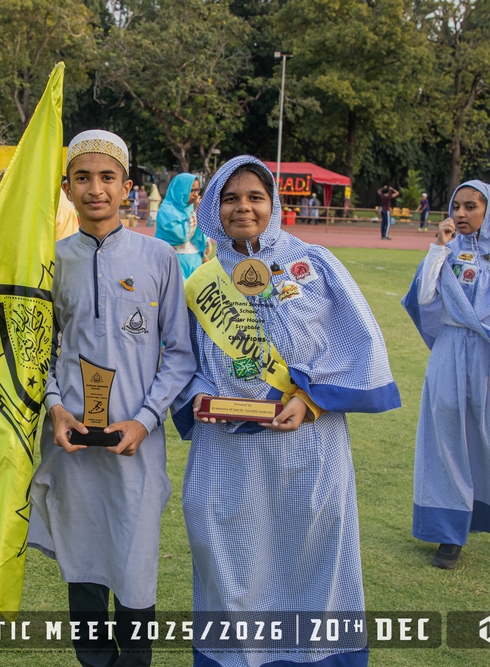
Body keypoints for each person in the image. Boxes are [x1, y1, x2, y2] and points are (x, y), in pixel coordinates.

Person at [172, 156, 400, 667]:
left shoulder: (312, 264)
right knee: (228, 559)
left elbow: (358, 341)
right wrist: (203, 399)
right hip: (226, 451)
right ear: (212, 209)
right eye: (230, 198)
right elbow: (181, 357)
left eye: (255, 197)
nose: (243, 208)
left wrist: (310, 400)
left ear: (272, 204)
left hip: (308, 447)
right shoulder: (201, 280)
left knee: (312, 561)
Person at [29, 130, 195, 667]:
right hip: (72, 444)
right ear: (67, 188)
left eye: (107, 177)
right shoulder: (51, 260)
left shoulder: (158, 257)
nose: (95, 189)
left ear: (128, 187)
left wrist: (144, 420)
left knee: (135, 568)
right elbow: (41, 349)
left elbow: (179, 354)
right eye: (83, 178)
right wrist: (56, 407)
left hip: (136, 448)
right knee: (82, 571)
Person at [402, 181, 490, 570]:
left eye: (471, 207)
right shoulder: (447, 251)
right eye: (456, 206)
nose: (461, 214)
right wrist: (438, 246)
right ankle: (450, 535)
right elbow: (424, 296)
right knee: (446, 439)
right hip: (450, 349)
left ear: (489, 210)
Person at [156, 173, 205, 279]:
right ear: (180, 190)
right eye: (192, 190)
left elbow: (200, 236)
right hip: (175, 262)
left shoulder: (191, 207)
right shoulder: (167, 210)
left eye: (197, 190)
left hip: (195, 262)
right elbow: (182, 236)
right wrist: (195, 213)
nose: (196, 195)